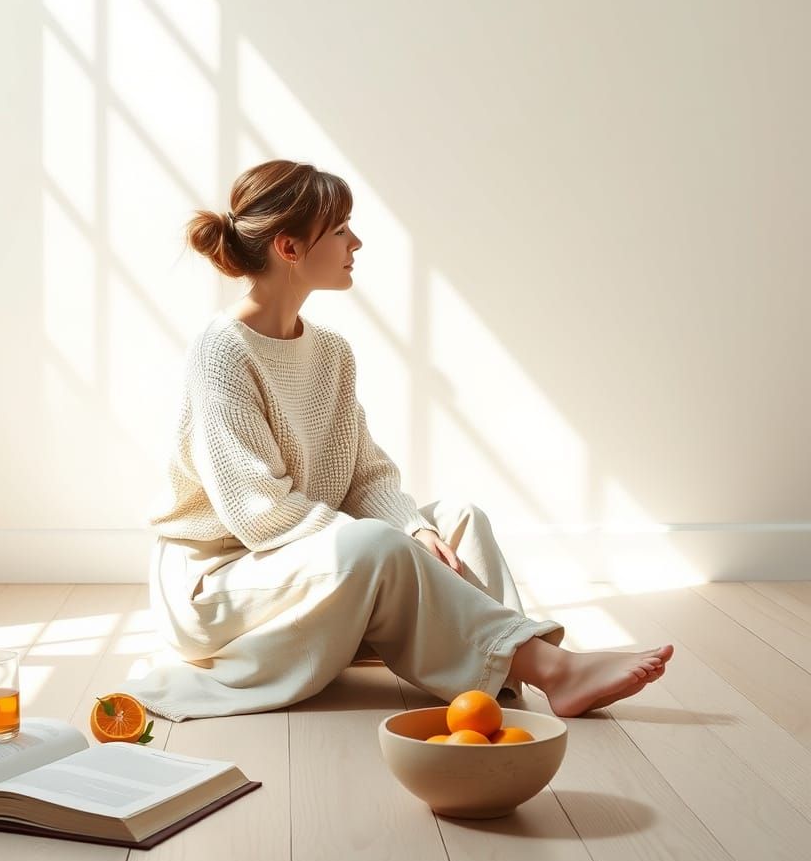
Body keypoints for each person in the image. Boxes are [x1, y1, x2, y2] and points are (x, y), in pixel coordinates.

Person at [130, 159, 672, 723]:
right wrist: (390, 542)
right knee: (376, 544)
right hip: (219, 585)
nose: (355, 242)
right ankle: (557, 670)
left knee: (459, 519)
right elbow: (259, 514)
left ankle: (500, 687)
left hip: (298, 562)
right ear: (289, 249)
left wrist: (415, 528)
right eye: (340, 230)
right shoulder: (222, 353)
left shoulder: (331, 352)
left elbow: (366, 475)